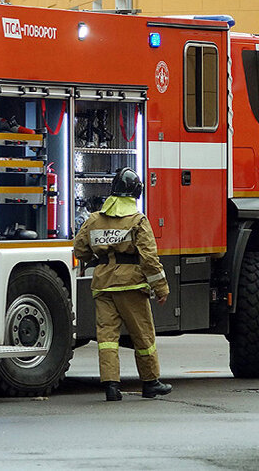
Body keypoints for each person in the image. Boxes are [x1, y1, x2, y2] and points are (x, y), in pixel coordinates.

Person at [73, 167, 172, 401]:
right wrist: (161, 288)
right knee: (143, 336)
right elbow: (148, 258)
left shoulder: (94, 219)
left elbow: (79, 248)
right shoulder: (138, 220)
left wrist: (99, 261)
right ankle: (150, 383)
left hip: (103, 284)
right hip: (131, 285)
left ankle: (111, 386)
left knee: (107, 337)